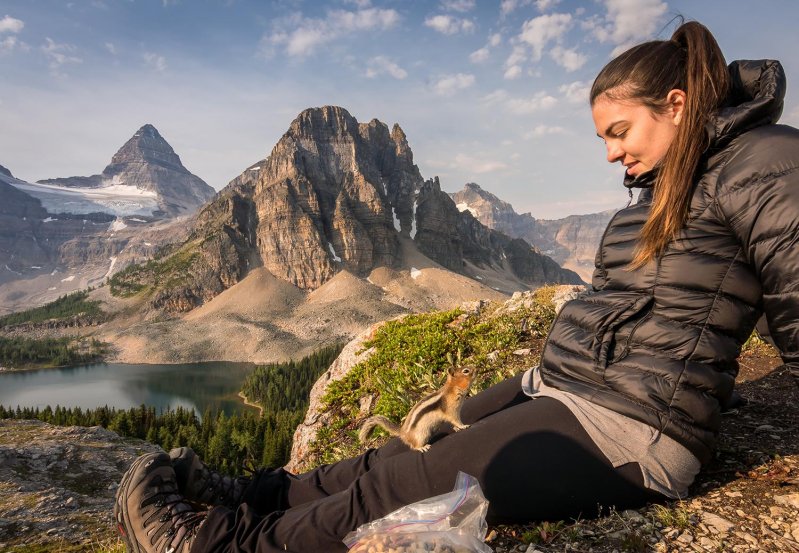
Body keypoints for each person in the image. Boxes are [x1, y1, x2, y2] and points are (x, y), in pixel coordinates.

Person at [114, 19, 798, 553]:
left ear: (675, 105)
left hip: (632, 430)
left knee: (400, 485)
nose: (611, 152)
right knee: (411, 442)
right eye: (603, 138)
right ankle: (260, 494)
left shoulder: (763, 161)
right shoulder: (656, 191)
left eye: (618, 131)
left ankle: (211, 541)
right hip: (567, 389)